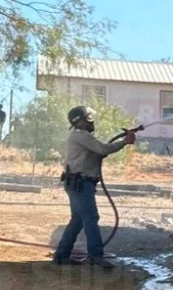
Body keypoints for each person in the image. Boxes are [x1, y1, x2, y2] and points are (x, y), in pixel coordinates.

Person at [51, 105, 135, 268]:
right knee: (91, 217)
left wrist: (123, 140)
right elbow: (102, 149)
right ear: (82, 121)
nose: (92, 121)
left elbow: (100, 150)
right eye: (89, 118)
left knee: (78, 220)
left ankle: (62, 255)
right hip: (80, 183)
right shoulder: (80, 135)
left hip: (77, 183)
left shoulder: (79, 136)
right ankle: (95, 255)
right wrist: (125, 141)